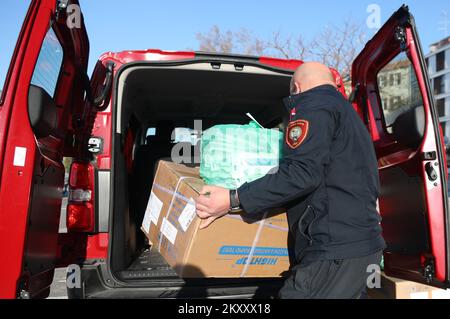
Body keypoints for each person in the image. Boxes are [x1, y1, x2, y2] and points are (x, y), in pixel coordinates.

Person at [195, 62, 386, 299]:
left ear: (296, 87)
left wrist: (233, 198)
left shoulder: (314, 105)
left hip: (333, 251)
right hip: (363, 248)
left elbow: (301, 172)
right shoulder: (349, 115)